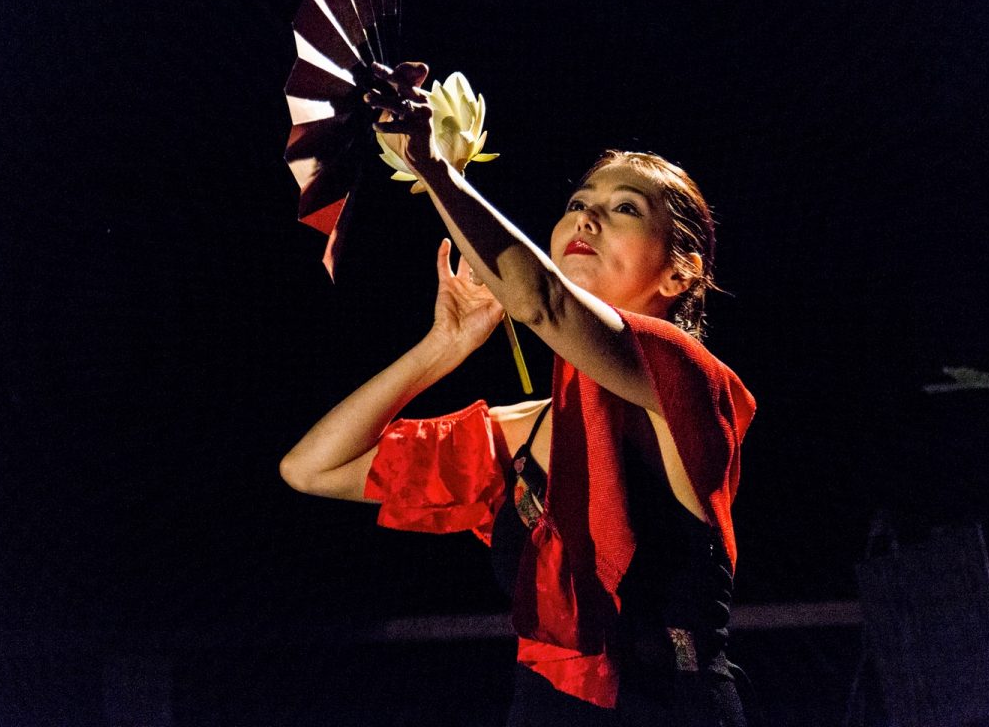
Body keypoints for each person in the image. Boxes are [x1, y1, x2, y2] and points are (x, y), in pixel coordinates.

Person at [280, 62, 756, 725]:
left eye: (623, 209)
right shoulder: (517, 435)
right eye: (577, 205)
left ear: (681, 270)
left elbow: (538, 301)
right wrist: (438, 351)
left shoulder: (687, 380)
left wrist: (436, 170)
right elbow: (311, 467)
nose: (587, 217)